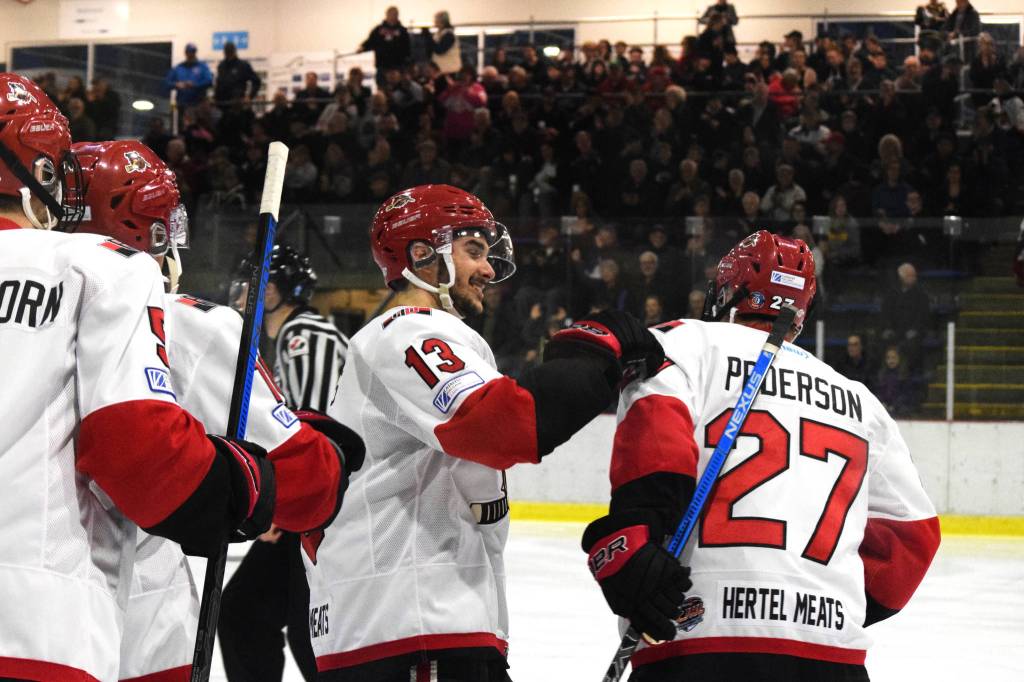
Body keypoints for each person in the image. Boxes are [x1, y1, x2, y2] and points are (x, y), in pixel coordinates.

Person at [0, 71, 306, 681]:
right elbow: (134, 444)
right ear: (39, 170)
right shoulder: (100, 269)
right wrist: (237, 485)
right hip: (36, 621)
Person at [306, 184, 664, 681]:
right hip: (413, 626)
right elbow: (505, 427)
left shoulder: (415, 341)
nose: (489, 269)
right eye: (473, 250)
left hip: (418, 626)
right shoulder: (409, 333)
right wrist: (593, 355)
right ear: (421, 254)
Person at [584, 230, 940, 681]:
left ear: (728, 291)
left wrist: (633, 537)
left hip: (699, 641)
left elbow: (657, 445)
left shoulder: (686, 344)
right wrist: (828, 604)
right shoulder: (860, 400)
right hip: (831, 656)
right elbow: (914, 537)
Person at [69, 138, 363, 682]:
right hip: (135, 636)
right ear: (150, 232)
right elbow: (308, 485)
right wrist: (311, 453)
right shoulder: (194, 327)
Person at [222, 245, 351, 680]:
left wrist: (288, 503)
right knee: (247, 613)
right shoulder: (295, 337)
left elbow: (314, 428)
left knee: (295, 625)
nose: (240, 298)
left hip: (319, 511)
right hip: (310, 507)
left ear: (274, 291)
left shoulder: (305, 337)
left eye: (252, 288)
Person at [361, 5, 412, 87]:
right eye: (391, 14)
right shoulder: (378, 29)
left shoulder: (402, 31)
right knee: (382, 88)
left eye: (395, 14)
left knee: (398, 90)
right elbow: (370, 41)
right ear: (386, 15)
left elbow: (407, 48)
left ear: (397, 16)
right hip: (382, 66)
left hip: (397, 67)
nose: (392, 16)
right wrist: (362, 47)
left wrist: (407, 64)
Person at [165, 42, 214, 113]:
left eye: (193, 52)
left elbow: (209, 81)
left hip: (198, 104)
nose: (191, 54)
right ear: (185, 53)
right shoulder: (179, 68)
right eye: (189, 52)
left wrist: (194, 85)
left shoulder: (202, 67)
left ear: (195, 52)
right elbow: (167, 83)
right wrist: (176, 84)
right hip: (183, 105)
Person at [215, 40, 262, 107]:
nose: (228, 54)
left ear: (234, 51)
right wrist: (215, 100)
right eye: (227, 52)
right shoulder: (221, 66)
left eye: (230, 51)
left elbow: (257, 81)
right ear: (224, 52)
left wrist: (250, 97)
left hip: (238, 105)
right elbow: (218, 85)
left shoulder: (243, 65)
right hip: (223, 105)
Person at [423, 10, 462, 76]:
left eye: (436, 19)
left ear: (442, 21)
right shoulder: (438, 35)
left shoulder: (449, 35)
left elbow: (440, 50)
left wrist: (428, 37)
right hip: (439, 70)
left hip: (449, 70)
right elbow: (431, 51)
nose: (434, 21)